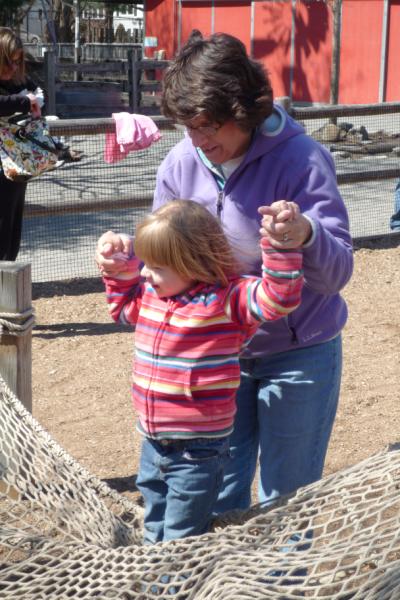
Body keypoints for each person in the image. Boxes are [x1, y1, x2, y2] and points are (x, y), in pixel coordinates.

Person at [96, 32, 354, 515]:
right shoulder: (181, 162)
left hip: (297, 353)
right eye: (188, 127)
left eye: (207, 126)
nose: (197, 140)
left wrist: (306, 234)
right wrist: (126, 262)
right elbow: (163, 259)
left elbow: (337, 273)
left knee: (287, 504)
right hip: (212, 362)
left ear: (243, 109)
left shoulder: (302, 160)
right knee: (215, 500)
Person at [97, 199, 304, 543]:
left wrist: (279, 245)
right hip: (153, 441)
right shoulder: (151, 295)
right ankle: (154, 573)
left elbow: (278, 298)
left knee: (182, 537)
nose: (145, 273)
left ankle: (174, 577)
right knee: (154, 525)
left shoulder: (225, 300)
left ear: (192, 262)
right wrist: (119, 266)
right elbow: (122, 310)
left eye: (157, 267)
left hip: (198, 450)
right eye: (146, 264)